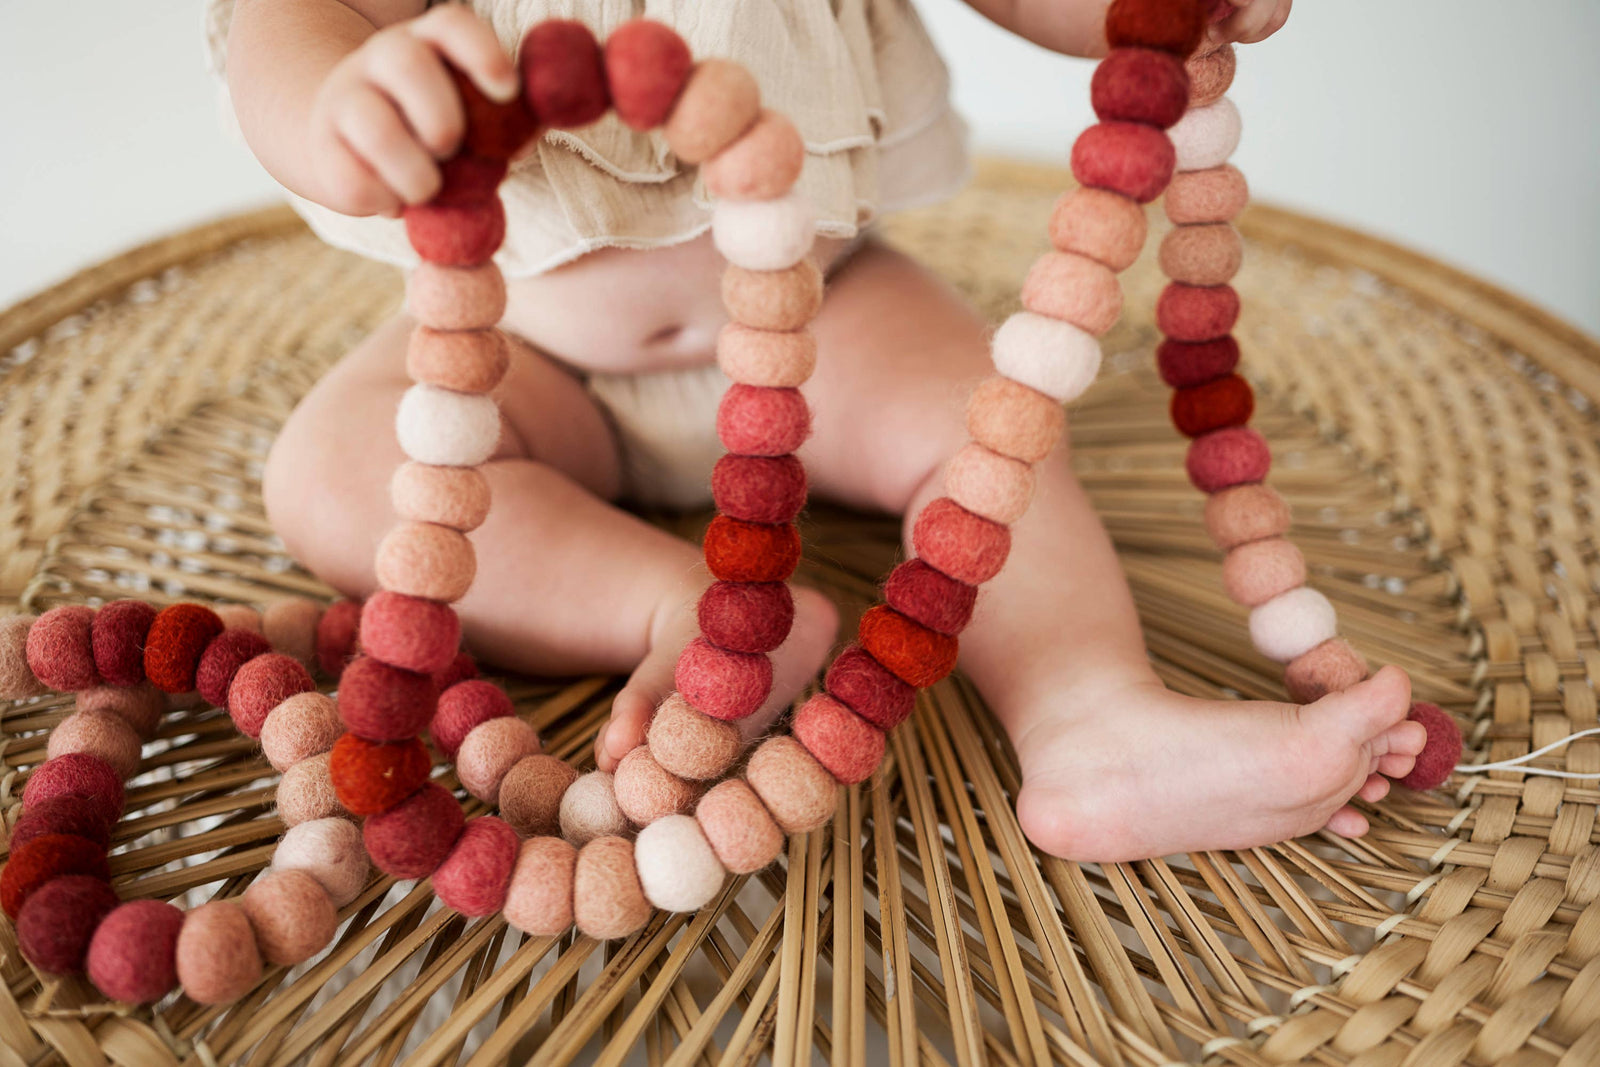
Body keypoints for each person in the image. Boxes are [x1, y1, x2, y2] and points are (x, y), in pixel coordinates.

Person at [215, 0, 1426, 862]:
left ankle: (1090, 715)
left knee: (992, 437)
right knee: (335, 474)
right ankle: (685, 607)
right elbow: (287, 19)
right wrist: (339, 100)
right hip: (525, 352)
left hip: (829, 318)